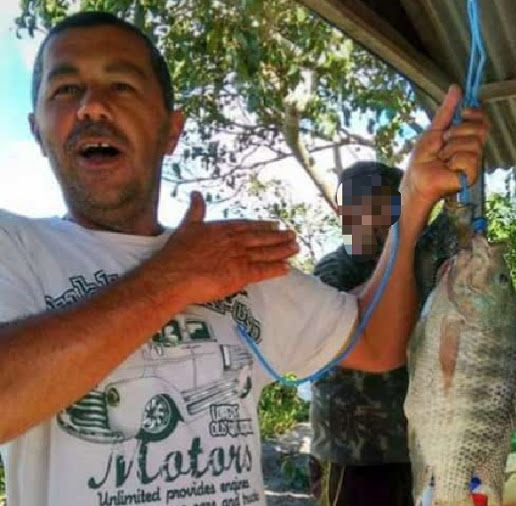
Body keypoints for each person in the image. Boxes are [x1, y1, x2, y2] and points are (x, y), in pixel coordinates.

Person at [0, 11, 490, 506]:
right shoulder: (14, 246)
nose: (91, 107)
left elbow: (372, 340)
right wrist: (172, 279)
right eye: (64, 90)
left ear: (171, 130)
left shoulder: (231, 261)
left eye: (122, 86)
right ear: (37, 130)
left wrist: (413, 202)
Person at [308, 161, 414, 506]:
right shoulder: (330, 272)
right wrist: (397, 254)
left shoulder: (412, 269)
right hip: (347, 456)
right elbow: (354, 322)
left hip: (407, 451)